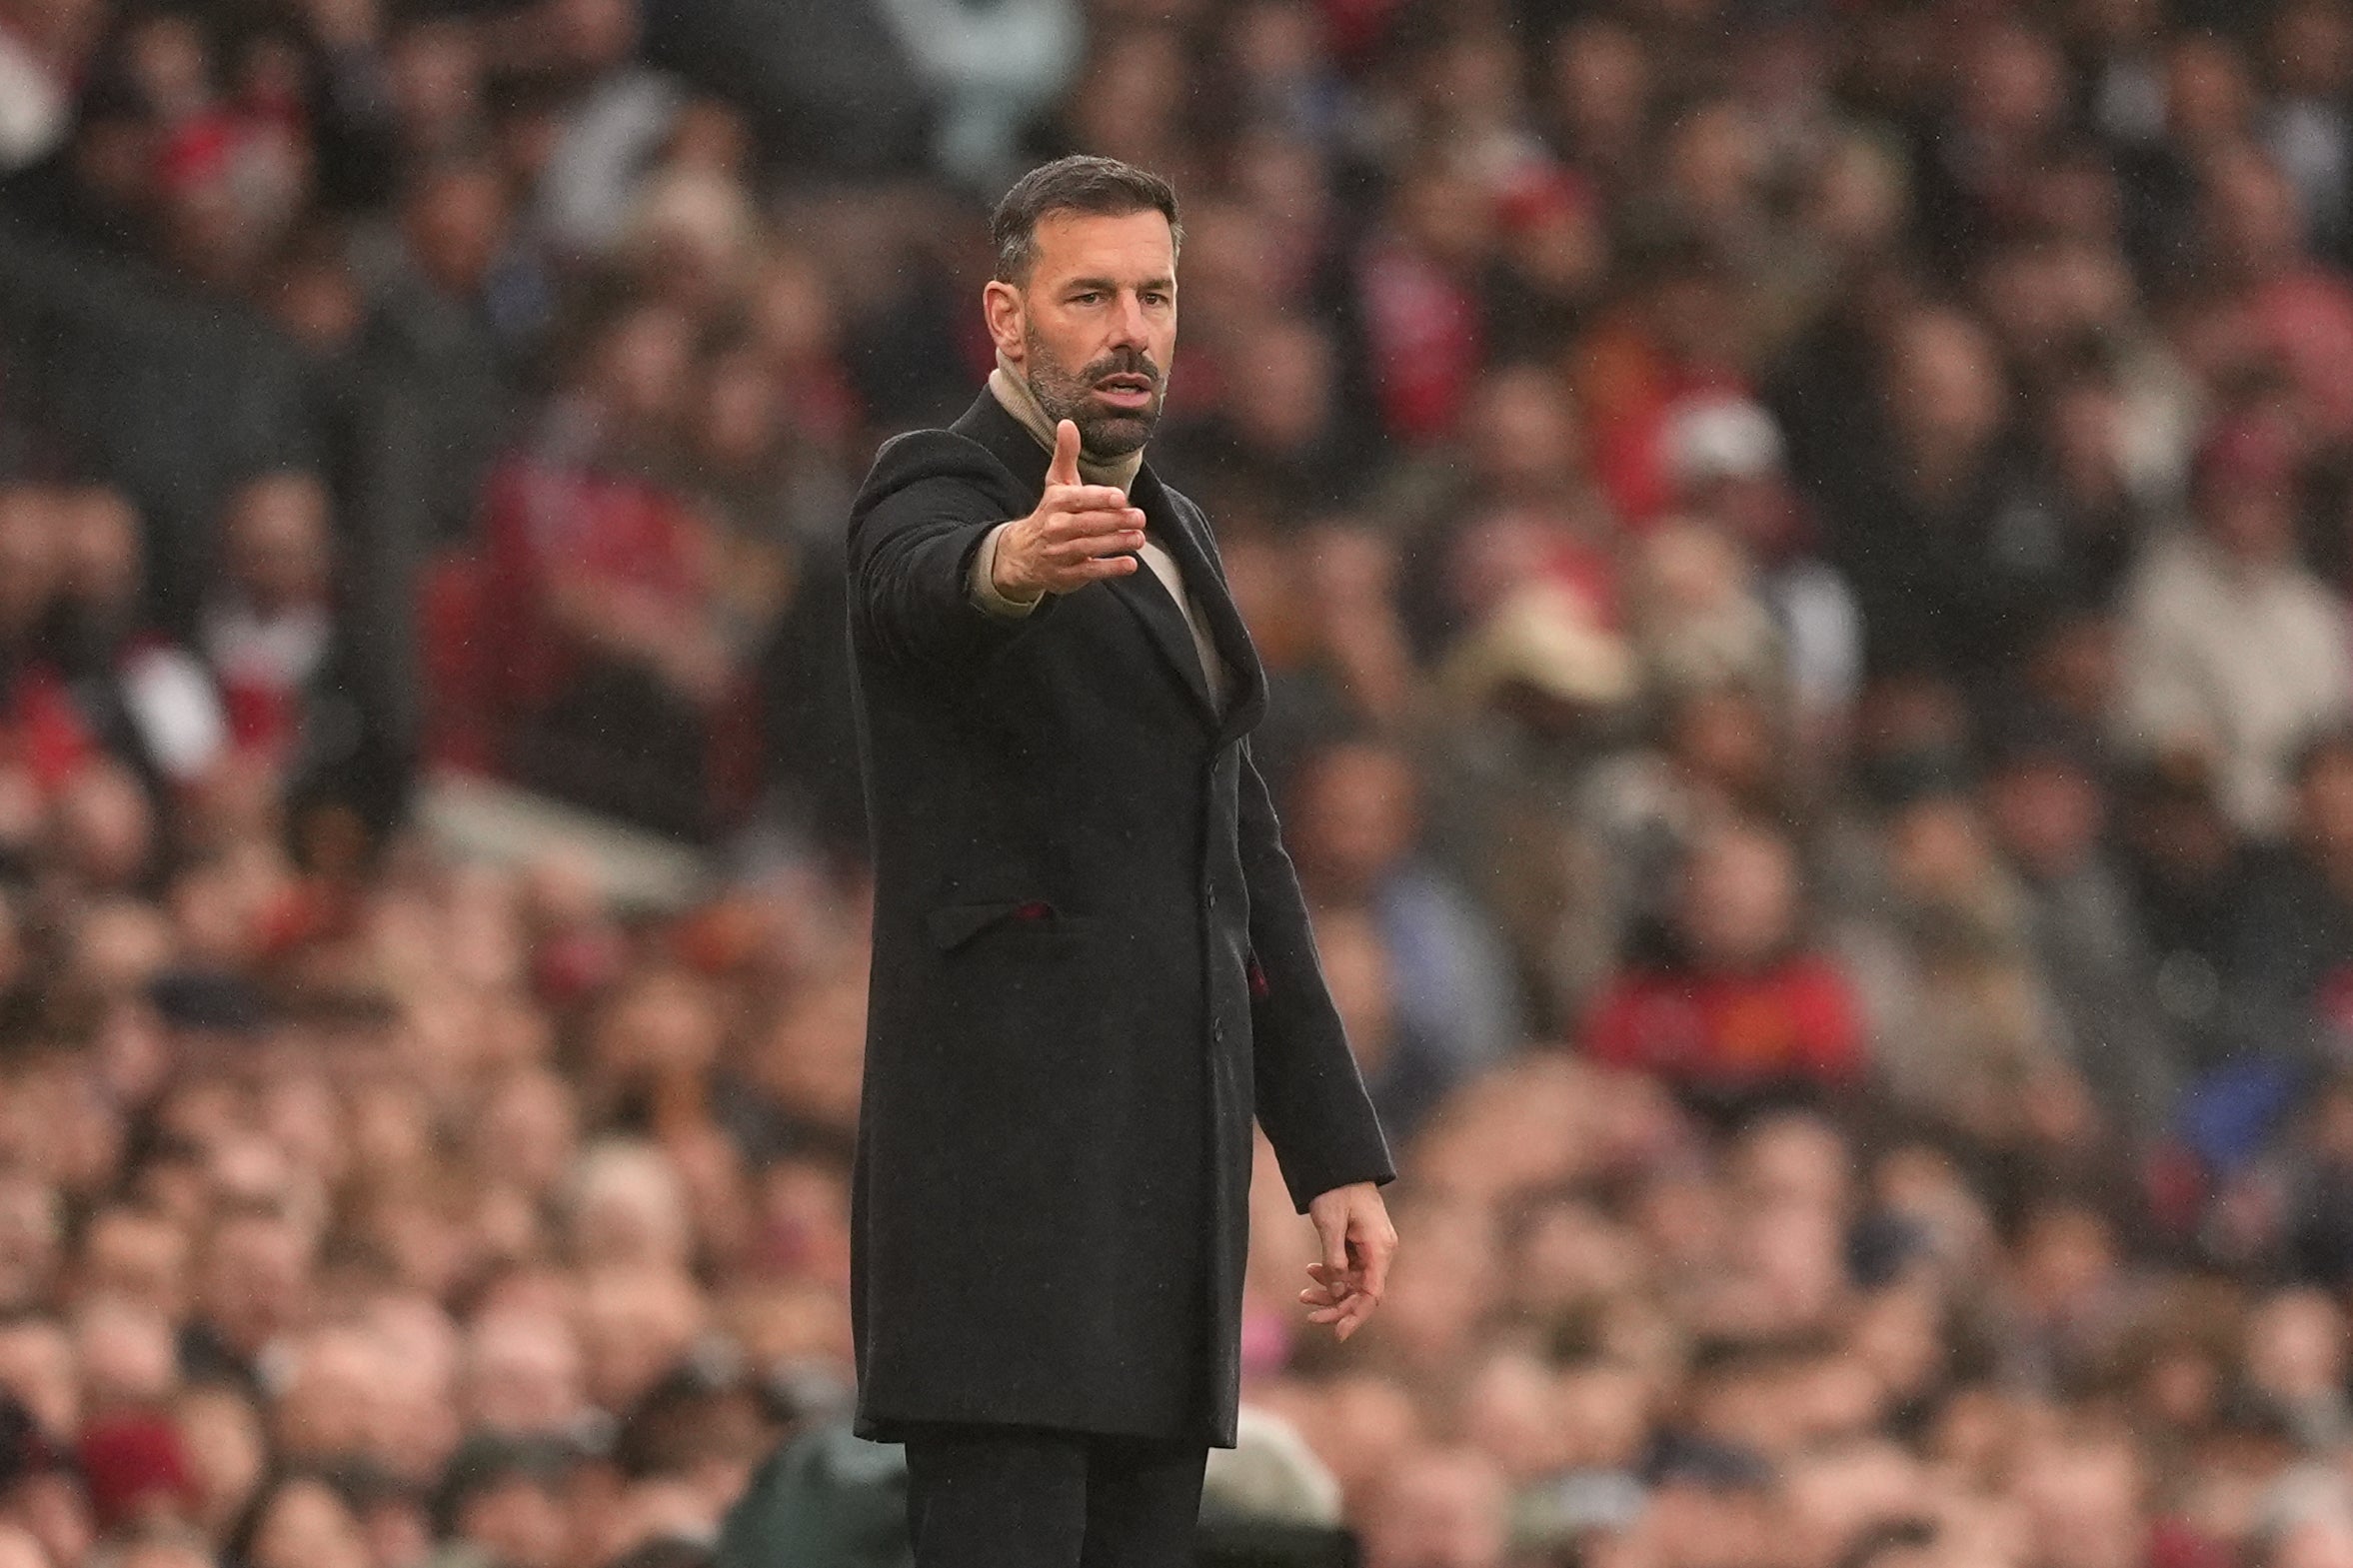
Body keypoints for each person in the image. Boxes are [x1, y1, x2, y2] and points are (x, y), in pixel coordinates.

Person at [841, 155, 1399, 1567]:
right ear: (1006, 320)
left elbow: (1241, 854)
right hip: (1008, 1212)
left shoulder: (1180, 529)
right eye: (1088, 295)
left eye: (1154, 294)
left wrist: (1328, 1148)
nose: (1131, 328)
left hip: (1165, 1212)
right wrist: (1012, 566)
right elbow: (923, 586)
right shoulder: (939, 478)